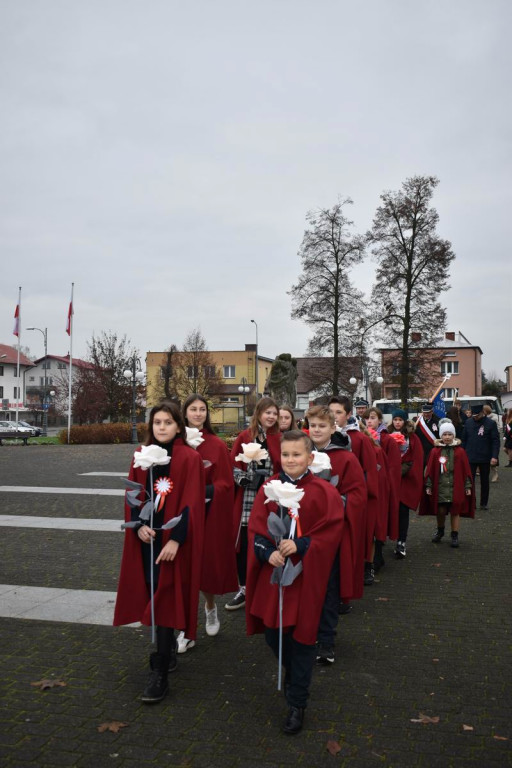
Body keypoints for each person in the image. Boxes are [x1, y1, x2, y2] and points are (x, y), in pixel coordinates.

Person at [246, 430, 344, 734]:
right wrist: (268, 553)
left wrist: (301, 545)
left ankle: (297, 702)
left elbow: (331, 531)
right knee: (273, 635)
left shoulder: (323, 492)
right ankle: (291, 670)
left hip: (305, 580)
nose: (290, 460)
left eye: (297, 455)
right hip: (275, 579)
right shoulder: (269, 489)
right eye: (286, 455)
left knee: (302, 639)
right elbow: (257, 529)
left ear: (310, 458)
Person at [114, 401, 205, 703]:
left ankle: (160, 671)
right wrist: (139, 526)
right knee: (154, 593)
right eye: (157, 422)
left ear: (179, 426)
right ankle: (166, 650)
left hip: (172, 543)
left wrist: (176, 539)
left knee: (166, 597)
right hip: (147, 541)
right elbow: (133, 494)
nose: (162, 427)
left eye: (168, 422)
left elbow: (192, 503)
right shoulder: (141, 456)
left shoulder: (189, 458)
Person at [176, 395, 238, 653]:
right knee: (181, 573)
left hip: (207, 513)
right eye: (193, 409)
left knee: (204, 569)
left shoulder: (216, 444)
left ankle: (210, 607)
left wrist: (204, 490)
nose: (198, 413)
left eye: (202, 409)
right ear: (185, 413)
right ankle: (185, 629)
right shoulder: (175, 442)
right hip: (178, 515)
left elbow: (226, 483)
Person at [307, 405, 366, 664]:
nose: (317, 430)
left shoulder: (345, 458)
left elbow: (358, 494)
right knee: (306, 589)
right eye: (313, 425)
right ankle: (307, 635)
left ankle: (326, 641)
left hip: (331, 536)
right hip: (303, 534)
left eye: (322, 426)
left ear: (333, 428)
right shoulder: (300, 453)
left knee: (328, 590)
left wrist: (332, 503)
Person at [227, 397, 281, 611]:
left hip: (270, 496)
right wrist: (243, 479)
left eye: (274, 413)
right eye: (268, 412)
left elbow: (283, 466)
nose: (271, 416)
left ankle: (263, 587)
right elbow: (232, 465)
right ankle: (244, 588)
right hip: (248, 496)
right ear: (258, 413)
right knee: (244, 543)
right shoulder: (245, 436)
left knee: (266, 540)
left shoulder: (279, 438)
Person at [328, 397, 379, 587]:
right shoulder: (322, 437)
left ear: (348, 414)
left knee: (362, 535)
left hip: (353, 497)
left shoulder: (359, 439)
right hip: (330, 499)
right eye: (331, 412)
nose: (334, 416)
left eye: (338, 412)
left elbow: (369, 471)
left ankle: (367, 566)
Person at [420, 420, 475, 548]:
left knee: (455, 511)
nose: (447, 437)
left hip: (456, 487)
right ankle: (440, 530)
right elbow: (430, 470)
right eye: (444, 434)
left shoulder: (460, 452)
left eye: (450, 434)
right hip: (440, 487)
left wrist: (468, 486)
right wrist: (428, 485)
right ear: (441, 436)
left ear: (454, 435)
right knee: (441, 510)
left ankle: (454, 534)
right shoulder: (435, 452)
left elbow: (466, 471)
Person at [363, 407, 402, 570]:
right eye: (367, 418)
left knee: (379, 521)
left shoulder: (387, 440)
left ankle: (377, 555)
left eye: (373, 418)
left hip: (382, 486)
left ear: (380, 420)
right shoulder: (361, 438)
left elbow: (393, 466)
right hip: (366, 485)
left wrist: (388, 485)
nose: (369, 421)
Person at [388, 408, 424, 559]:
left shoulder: (412, 437)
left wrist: (404, 469)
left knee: (402, 512)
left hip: (405, 480)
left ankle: (401, 541)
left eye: (400, 420)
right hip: (390, 481)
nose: (397, 422)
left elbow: (417, 458)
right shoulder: (387, 435)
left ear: (405, 421)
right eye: (395, 420)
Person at [462, 405, 500, 510]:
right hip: (470, 456)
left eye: (477, 415)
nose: (475, 417)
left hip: (485, 457)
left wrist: (494, 456)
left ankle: (484, 503)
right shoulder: (468, 422)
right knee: (469, 481)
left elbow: (495, 441)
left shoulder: (490, 423)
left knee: (484, 481)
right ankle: (471, 502)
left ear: (482, 413)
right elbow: (464, 439)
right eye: (473, 415)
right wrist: (462, 453)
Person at [483, 405, 500, 482]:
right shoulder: (483, 418)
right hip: (484, 440)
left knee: (493, 458)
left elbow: (497, 429)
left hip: (491, 440)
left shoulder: (493, 418)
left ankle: (495, 474)